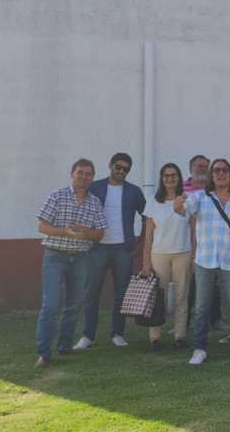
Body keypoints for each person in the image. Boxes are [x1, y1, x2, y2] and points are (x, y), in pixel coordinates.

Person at [174, 158, 230, 365]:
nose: (221, 173)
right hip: (205, 260)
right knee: (201, 307)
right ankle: (199, 349)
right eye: (217, 170)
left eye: (225, 170)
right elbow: (183, 209)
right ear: (212, 175)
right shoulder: (200, 197)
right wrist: (177, 205)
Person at [34, 159, 108, 368]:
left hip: (80, 257)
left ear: (92, 177)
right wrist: (64, 231)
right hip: (54, 256)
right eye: (80, 172)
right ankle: (43, 352)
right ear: (72, 174)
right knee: (49, 305)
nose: (83, 176)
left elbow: (100, 233)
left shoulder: (94, 202)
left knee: (74, 304)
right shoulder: (56, 195)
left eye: (88, 174)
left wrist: (84, 232)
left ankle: (65, 345)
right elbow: (42, 226)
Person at [75, 153, 146, 350]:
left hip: (123, 249)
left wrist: (141, 241)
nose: (121, 171)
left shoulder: (134, 191)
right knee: (91, 293)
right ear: (110, 166)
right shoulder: (95, 187)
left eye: (126, 169)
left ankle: (117, 333)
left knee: (121, 294)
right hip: (97, 247)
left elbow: (147, 215)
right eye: (118, 167)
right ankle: (87, 335)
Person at [141, 163, 192, 351]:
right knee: (157, 298)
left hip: (183, 253)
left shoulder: (188, 199)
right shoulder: (153, 201)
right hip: (159, 254)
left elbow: (193, 231)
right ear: (161, 179)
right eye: (166, 175)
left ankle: (180, 336)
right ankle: (154, 337)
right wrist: (146, 261)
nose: (170, 179)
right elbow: (148, 235)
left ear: (179, 177)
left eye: (173, 175)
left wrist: (194, 256)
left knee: (181, 297)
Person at [184, 154, 227, 334]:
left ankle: (215, 319)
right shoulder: (182, 189)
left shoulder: (213, 189)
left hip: (209, 245)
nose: (202, 169)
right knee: (188, 285)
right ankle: (184, 321)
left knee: (213, 284)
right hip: (184, 242)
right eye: (199, 166)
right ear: (190, 168)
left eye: (205, 167)